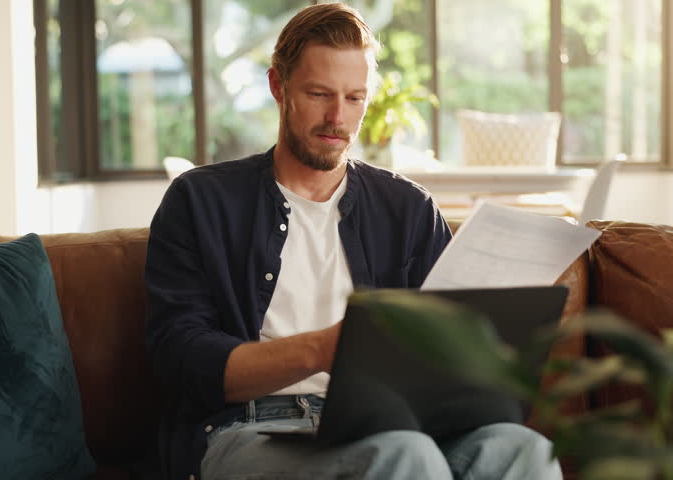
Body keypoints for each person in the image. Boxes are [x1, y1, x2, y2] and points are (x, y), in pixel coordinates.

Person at [144, 3, 563, 479]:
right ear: (278, 87)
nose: (337, 118)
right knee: (403, 455)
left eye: (355, 98)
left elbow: (447, 364)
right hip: (251, 430)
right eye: (319, 94)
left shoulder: (409, 209)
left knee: (522, 448)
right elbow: (179, 359)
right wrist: (324, 349)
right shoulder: (201, 200)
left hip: (390, 425)